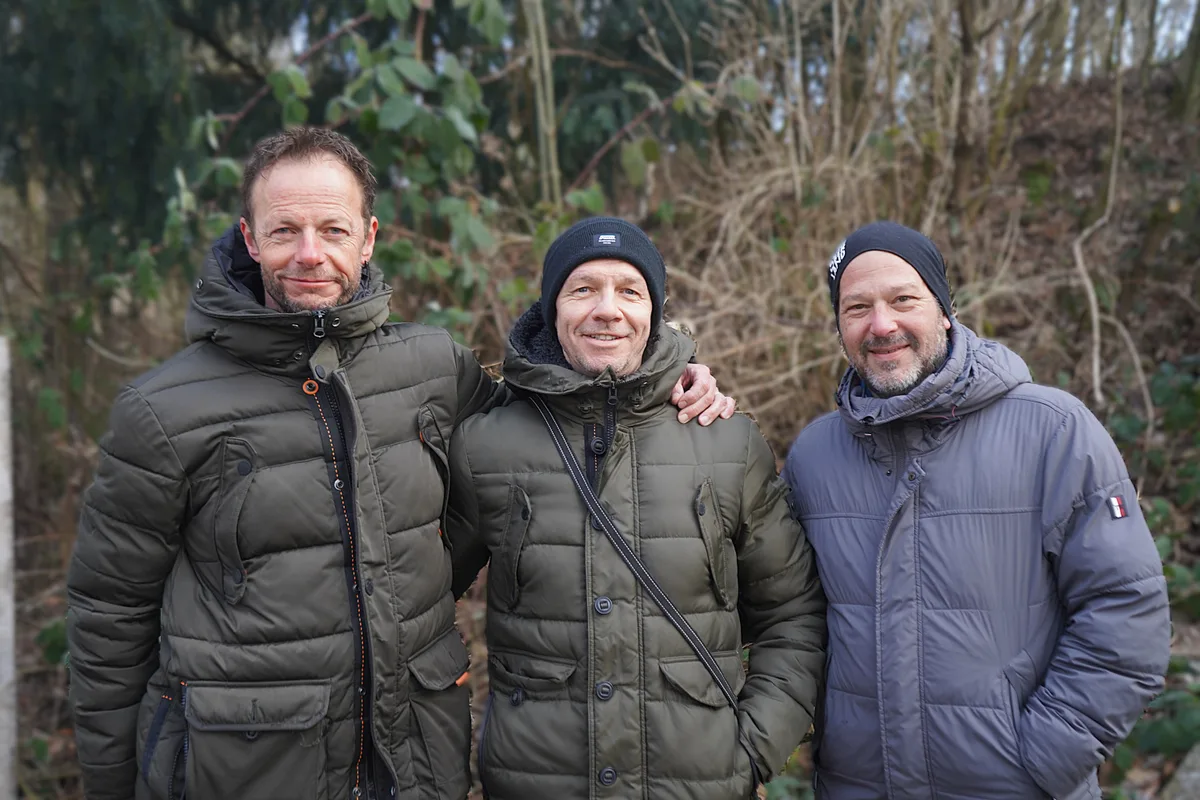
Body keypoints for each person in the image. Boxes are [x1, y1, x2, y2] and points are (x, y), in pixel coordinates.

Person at [64, 127, 733, 800]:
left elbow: (553, 424)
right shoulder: (162, 409)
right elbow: (108, 619)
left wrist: (668, 372)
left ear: (369, 236)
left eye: (333, 229)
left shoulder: (431, 367)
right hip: (242, 770)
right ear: (247, 237)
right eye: (283, 231)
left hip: (415, 762)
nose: (310, 253)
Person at [782, 220, 1171, 800]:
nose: (881, 324)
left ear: (944, 309)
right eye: (856, 307)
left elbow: (1126, 606)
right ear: (839, 327)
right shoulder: (814, 457)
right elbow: (786, 619)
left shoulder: (1053, 431)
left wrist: (1048, 754)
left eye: (902, 299)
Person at [446, 217, 827, 800]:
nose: (608, 310)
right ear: (552, 310)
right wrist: (468, 744)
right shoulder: (487, 445)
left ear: (655, 312)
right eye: (583, 290)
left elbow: (794, 615)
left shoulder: (726, 442)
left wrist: (754, 747)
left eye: (630, 291)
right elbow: (413, 604)